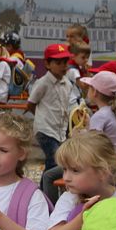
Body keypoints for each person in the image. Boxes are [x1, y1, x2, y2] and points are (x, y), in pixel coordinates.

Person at [28, 43, 75, 172]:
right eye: (58, 62)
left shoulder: (67, 84)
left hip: (60, 130)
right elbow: (31, 103)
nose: (63, 66)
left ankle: (44, 189)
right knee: (55, 161)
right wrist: (41, 118)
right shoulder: (43, 83)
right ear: (48, 64)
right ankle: (48, 191)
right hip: (45, 130)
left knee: (52, 163)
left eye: (65, 62)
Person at [82, 69, 116, 166]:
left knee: (50, 175)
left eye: (90, 87)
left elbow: (91, 148)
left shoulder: (100, 116)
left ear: (95, 92)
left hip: (103, 169)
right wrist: (89, 125)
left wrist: (77, 136)